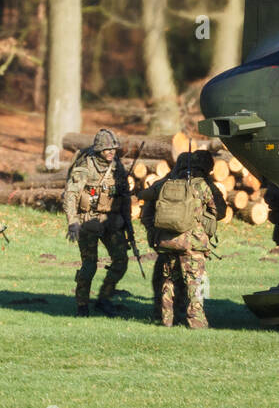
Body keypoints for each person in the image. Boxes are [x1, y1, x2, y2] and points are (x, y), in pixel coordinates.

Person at [145, 150, 225, 328]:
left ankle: (166, 319)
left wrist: (155, 233)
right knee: (195, 281)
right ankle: (196, 321)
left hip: (168, 242)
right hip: (193, 243)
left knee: (169, 281)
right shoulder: (203, 185)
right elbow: (220, 210)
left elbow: (147, 205)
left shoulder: (165, 183)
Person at [62, 128, 130, 317]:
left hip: (112, 222)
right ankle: (82, 305)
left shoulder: (118, 166)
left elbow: (125, 195)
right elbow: (71, 194)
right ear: (99, 149)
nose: (111, 152)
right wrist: (72, 222)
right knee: (89, 266)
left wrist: (127, 224)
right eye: (107, 149)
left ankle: (104, 298)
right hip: (88, 222)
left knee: (121, 261)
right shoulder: (86, 166)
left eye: (113, 149)